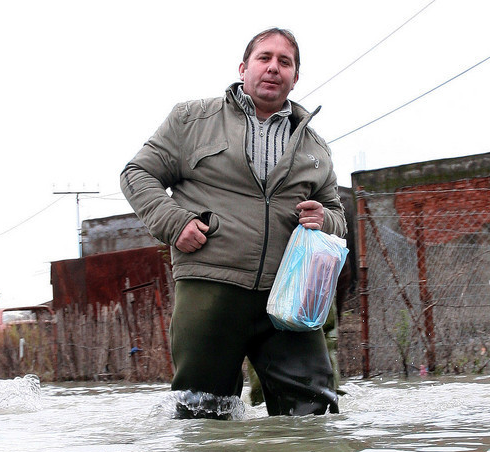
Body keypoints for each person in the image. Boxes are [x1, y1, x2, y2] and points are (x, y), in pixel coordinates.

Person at [121, 27, 347, 417]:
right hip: (211, 288)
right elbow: (136, 174)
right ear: (243, 68)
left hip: (289, 298)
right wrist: (174, 223)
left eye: (285, 62)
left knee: (312, 413)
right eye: (264, 58)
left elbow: (338, 217)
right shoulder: (192, 120)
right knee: (202, 414)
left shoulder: (315, 146)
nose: (273, 68)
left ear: (295, 77)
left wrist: (324, 218)